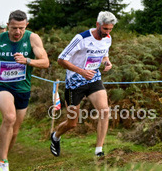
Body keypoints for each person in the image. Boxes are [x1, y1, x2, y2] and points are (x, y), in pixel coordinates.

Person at [0, 10, 50, 171]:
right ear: (7, 25)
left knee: (14, 130)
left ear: (26, 25)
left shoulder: (32, 38)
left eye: (21, 28)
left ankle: (0, 159)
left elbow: (45, 62)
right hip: (1, 85)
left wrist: (27, 60)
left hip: (22, 88)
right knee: (9, 117)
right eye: (14, 28)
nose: (17, 32)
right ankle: (2, 162)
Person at [49, 11, 116, 159]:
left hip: (93, 79)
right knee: (72, 123)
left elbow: (104, 54)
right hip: (75, 83)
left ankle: (99, 150)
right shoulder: (81, 38)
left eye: (110, 29)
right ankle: (56, 135)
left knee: (104, 111)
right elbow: (61, 59)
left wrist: (106, 62)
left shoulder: (108, 38)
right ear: (98, 24)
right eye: (105, 29)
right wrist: (81, 71)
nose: (107, 32)